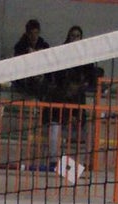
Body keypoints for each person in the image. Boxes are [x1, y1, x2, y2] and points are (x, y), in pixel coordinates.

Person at [42, 26, 102, 159]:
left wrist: (76, 117)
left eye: (78, 36)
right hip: (59, 120)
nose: (75, 38)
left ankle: (88, 162)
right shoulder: (58, 89)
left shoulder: (86, 58)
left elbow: (93, 74)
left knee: (91, 130)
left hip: (74, 124)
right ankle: (53, 161)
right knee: (54, 128)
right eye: (72, 36)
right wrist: (67, 117)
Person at [12, 19, 49, 97]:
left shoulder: (44, 46)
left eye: (36, 33)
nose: (34, 36)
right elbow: (17, 64)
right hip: (25, 77)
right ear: (27, 34)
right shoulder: (20, 47)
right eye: (31, 34)